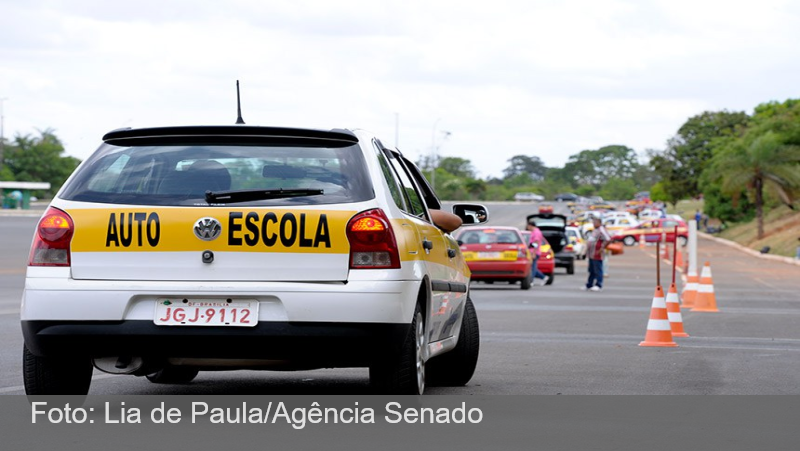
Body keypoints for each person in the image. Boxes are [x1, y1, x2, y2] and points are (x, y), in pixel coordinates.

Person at [585, 216, 611, 291]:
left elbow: (608, 239)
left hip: (597, 253)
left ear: (599, 223)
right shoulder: (595, 230)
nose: (593, 224)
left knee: (598, 269)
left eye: (595, 222)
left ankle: (598, 284)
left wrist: (602, 248)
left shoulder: (601, 230)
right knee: (591, 270)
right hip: (591, 254)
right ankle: (589, 284)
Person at [526, 221, 550, 286]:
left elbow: (536, 243)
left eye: (528, 226)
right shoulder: (534, 232)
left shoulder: (536, 232)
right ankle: (543, 277)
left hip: (535, 252)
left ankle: (531, 280)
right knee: (532, 267)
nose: (527, 228)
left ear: (531, 225)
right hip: (532, 251)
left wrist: (534, 253)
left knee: (533, 267)